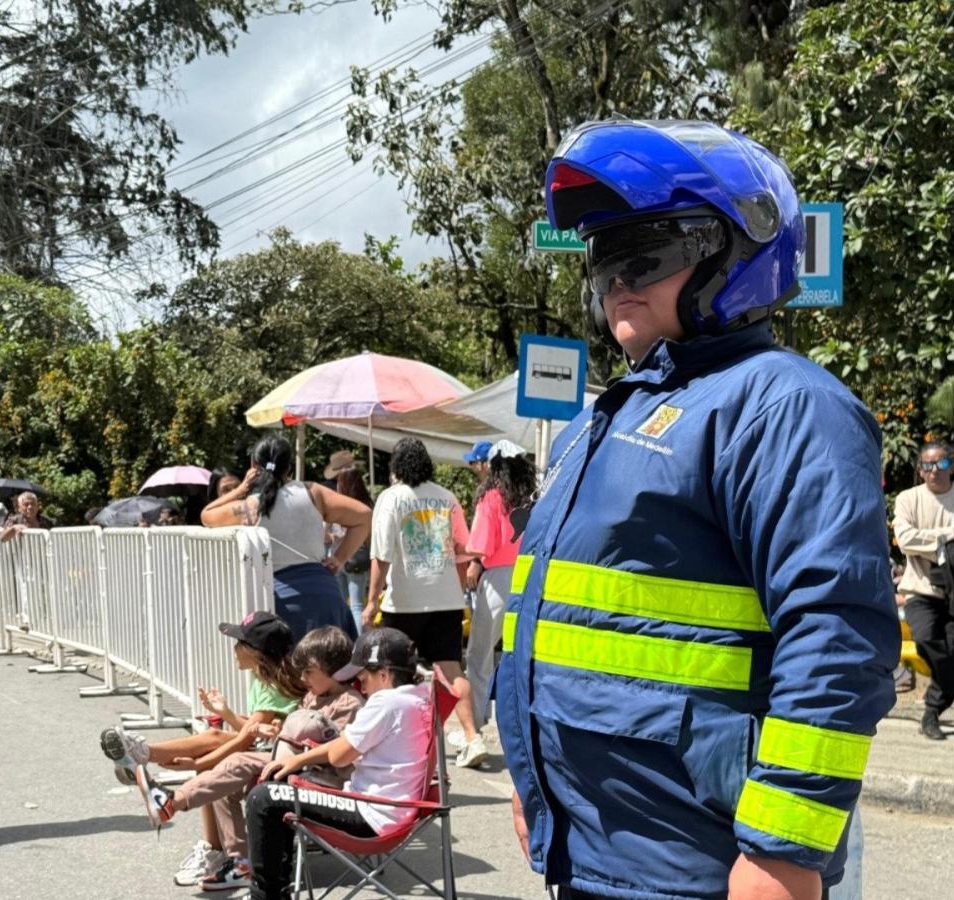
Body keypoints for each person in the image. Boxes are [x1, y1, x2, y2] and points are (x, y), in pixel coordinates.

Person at [497, 119, 899, 900]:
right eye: (605, 256)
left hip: (702, 864)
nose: (619, 277)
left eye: (648, 252)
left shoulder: (784, 404)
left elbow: (837, 640)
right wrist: (531, 777)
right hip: (593, 849)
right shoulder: (605, 418)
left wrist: (782, 853)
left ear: (738, 252)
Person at [123, 626, 365, 892]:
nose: (304, 679)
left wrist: (291, 742)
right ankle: (241, 862)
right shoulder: (312, 696)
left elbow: (340, 754)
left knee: (237, 761)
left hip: (320, 778)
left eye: (310, 672)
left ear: (333, 670)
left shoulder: (349, 703)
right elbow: (289, 738)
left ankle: (172, 802)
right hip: (291, 766)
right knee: (226, 784)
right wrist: (273, 733)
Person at [242, 627, 432, 900]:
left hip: (370, 815)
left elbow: (339, 756)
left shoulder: (385, 704)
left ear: (384, 674)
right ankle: (276, 891)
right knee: (280, 785)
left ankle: (267, 896)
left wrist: (296, 758)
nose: (359, 683)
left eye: (363, 675)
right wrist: (297, 760)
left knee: (264, 798)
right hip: (396, 809)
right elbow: (343, 747)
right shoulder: (418, 697)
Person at [99, 611, 304, 835]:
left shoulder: (273, 685)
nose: (234, 648)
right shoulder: (263, 676)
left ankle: (143, 754)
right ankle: (212, 847)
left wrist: (197, 763)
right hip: (272, 746)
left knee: (213, 746)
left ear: (257, 652)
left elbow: (246, 739)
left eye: (239, 642)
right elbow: (253, 730)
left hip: (283, 754)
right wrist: (225, 713)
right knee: (214, 740)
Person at [365, 437, 485, 768]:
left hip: (403, 602)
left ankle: (399, 739)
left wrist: (372, 600)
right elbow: (464, 548)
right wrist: (456, 589)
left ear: (396, 467)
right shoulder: (448, 498)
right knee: (451, 667)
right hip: (446, 599)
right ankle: (473, 737)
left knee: (393, 670)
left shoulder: (391, 498)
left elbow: (381, 555)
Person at [201, 436, 369, 641]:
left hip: (282, 603)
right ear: (289, 467)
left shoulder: (250, 508)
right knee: (334, 669)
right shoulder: (313, 492)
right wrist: (339, 559)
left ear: (253, 465)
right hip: (326, 595)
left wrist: (241, 488)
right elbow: (364, 516)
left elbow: (207, 514)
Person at [457, 439, 534, 747]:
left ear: (492, 465)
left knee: (478, 655)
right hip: (528, 577)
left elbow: (481, 545)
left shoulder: (491, 497)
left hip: (498, 579)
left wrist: (461, 553)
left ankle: (473, 726)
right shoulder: (531, 498)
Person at [893, 441, 954, 740]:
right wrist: (947, 539)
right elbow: (905, 540)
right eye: (928, 466)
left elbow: (919, 540)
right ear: (920, 470)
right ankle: (936, 704)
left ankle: (931, 713)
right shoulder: (908, 499)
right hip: (920, 590)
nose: (934, 471)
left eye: (941, 464)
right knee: (925, 638)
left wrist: (929, 542)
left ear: (952, 466)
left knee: (953, 657)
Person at [330, 468, 374, 632]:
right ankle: (357, 645)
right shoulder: (367, 504)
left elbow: (331, 533)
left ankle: (343, 642)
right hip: (357, 557)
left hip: (336, 557)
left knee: (341, 604)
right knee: (357, 606)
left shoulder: (337, 503)